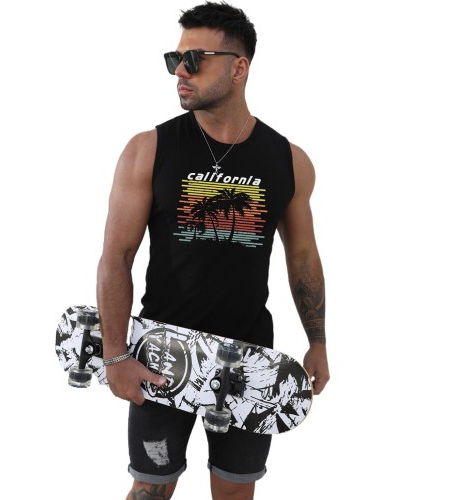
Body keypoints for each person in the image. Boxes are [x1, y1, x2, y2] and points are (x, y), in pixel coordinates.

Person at [97, 2, 330, 499]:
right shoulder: (148, 149)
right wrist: (115, 356)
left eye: (195, 59)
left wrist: (319, 341)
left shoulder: (289, 160)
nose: (180, 71)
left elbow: (303, 257)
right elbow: (116, 255)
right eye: (174, 59)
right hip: (161, 353)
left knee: (235, 491)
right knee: (151, 487)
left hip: (249, 363)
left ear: (239, 68)